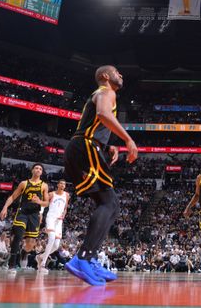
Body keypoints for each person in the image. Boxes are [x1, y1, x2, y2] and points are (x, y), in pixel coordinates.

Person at [63, 65, 139, 286]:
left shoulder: (101, 94)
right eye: (117, 72)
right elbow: (103, 114)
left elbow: (96, 123)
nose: (121, 75)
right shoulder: (107, 91)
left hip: (85, 146)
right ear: (105, 76)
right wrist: (127, 139)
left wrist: (107, 145)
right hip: (85, 146)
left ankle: (90, 257)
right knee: (109, 202)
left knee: (110, 205)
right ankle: (83, 258)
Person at [0, 163, 49, 270]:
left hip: (34, 214)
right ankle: (11, 264)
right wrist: (5, 207)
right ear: (32, 170)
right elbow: (13, 197)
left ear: (42, 172)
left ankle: (23, 252)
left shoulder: (44, 185)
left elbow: (47, 203)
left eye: (40, 169)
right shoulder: (24, 183)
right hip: (23, 212)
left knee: (30, 244)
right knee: (18, 236)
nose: (38, 170)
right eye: (36, 168)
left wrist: (39, 201)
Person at [37, 180, 69, 273]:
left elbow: (65, 208)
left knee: (56, 245)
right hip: (51, 218)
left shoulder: (67, 195)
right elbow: (43, 204)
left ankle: (40, 257)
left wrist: (64, 214)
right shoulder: (51, 194)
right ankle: (43, 264)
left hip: (59, 221)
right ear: (58, 185)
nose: (63, 185)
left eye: (64, 184)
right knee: (51, 238)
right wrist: (41, 214)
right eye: (61, 183)